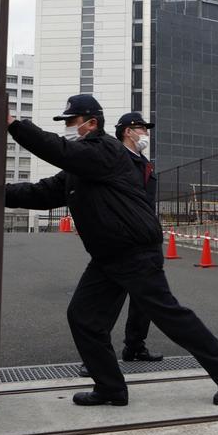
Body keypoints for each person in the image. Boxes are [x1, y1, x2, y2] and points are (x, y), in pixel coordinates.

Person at [4, 94, 218, 406]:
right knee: (84, 318)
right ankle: (110, 388)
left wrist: (14, 126)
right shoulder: (78, 166)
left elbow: (58, 149)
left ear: (92, 122)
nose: (70, 129)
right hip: (107, 256)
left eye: (72, 122)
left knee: (169, 316)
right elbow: (42, 193)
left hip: (135, 251)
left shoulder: (103, 149)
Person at [77, 111, 163, 378]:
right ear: (128, 131)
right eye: (142, 129)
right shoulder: (115, 157)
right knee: (109, 300)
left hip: (145, 238)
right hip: (119, 241)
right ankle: (96, 357)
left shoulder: (145, 163)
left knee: (144, 299)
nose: (146, 133)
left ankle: (135, 346)